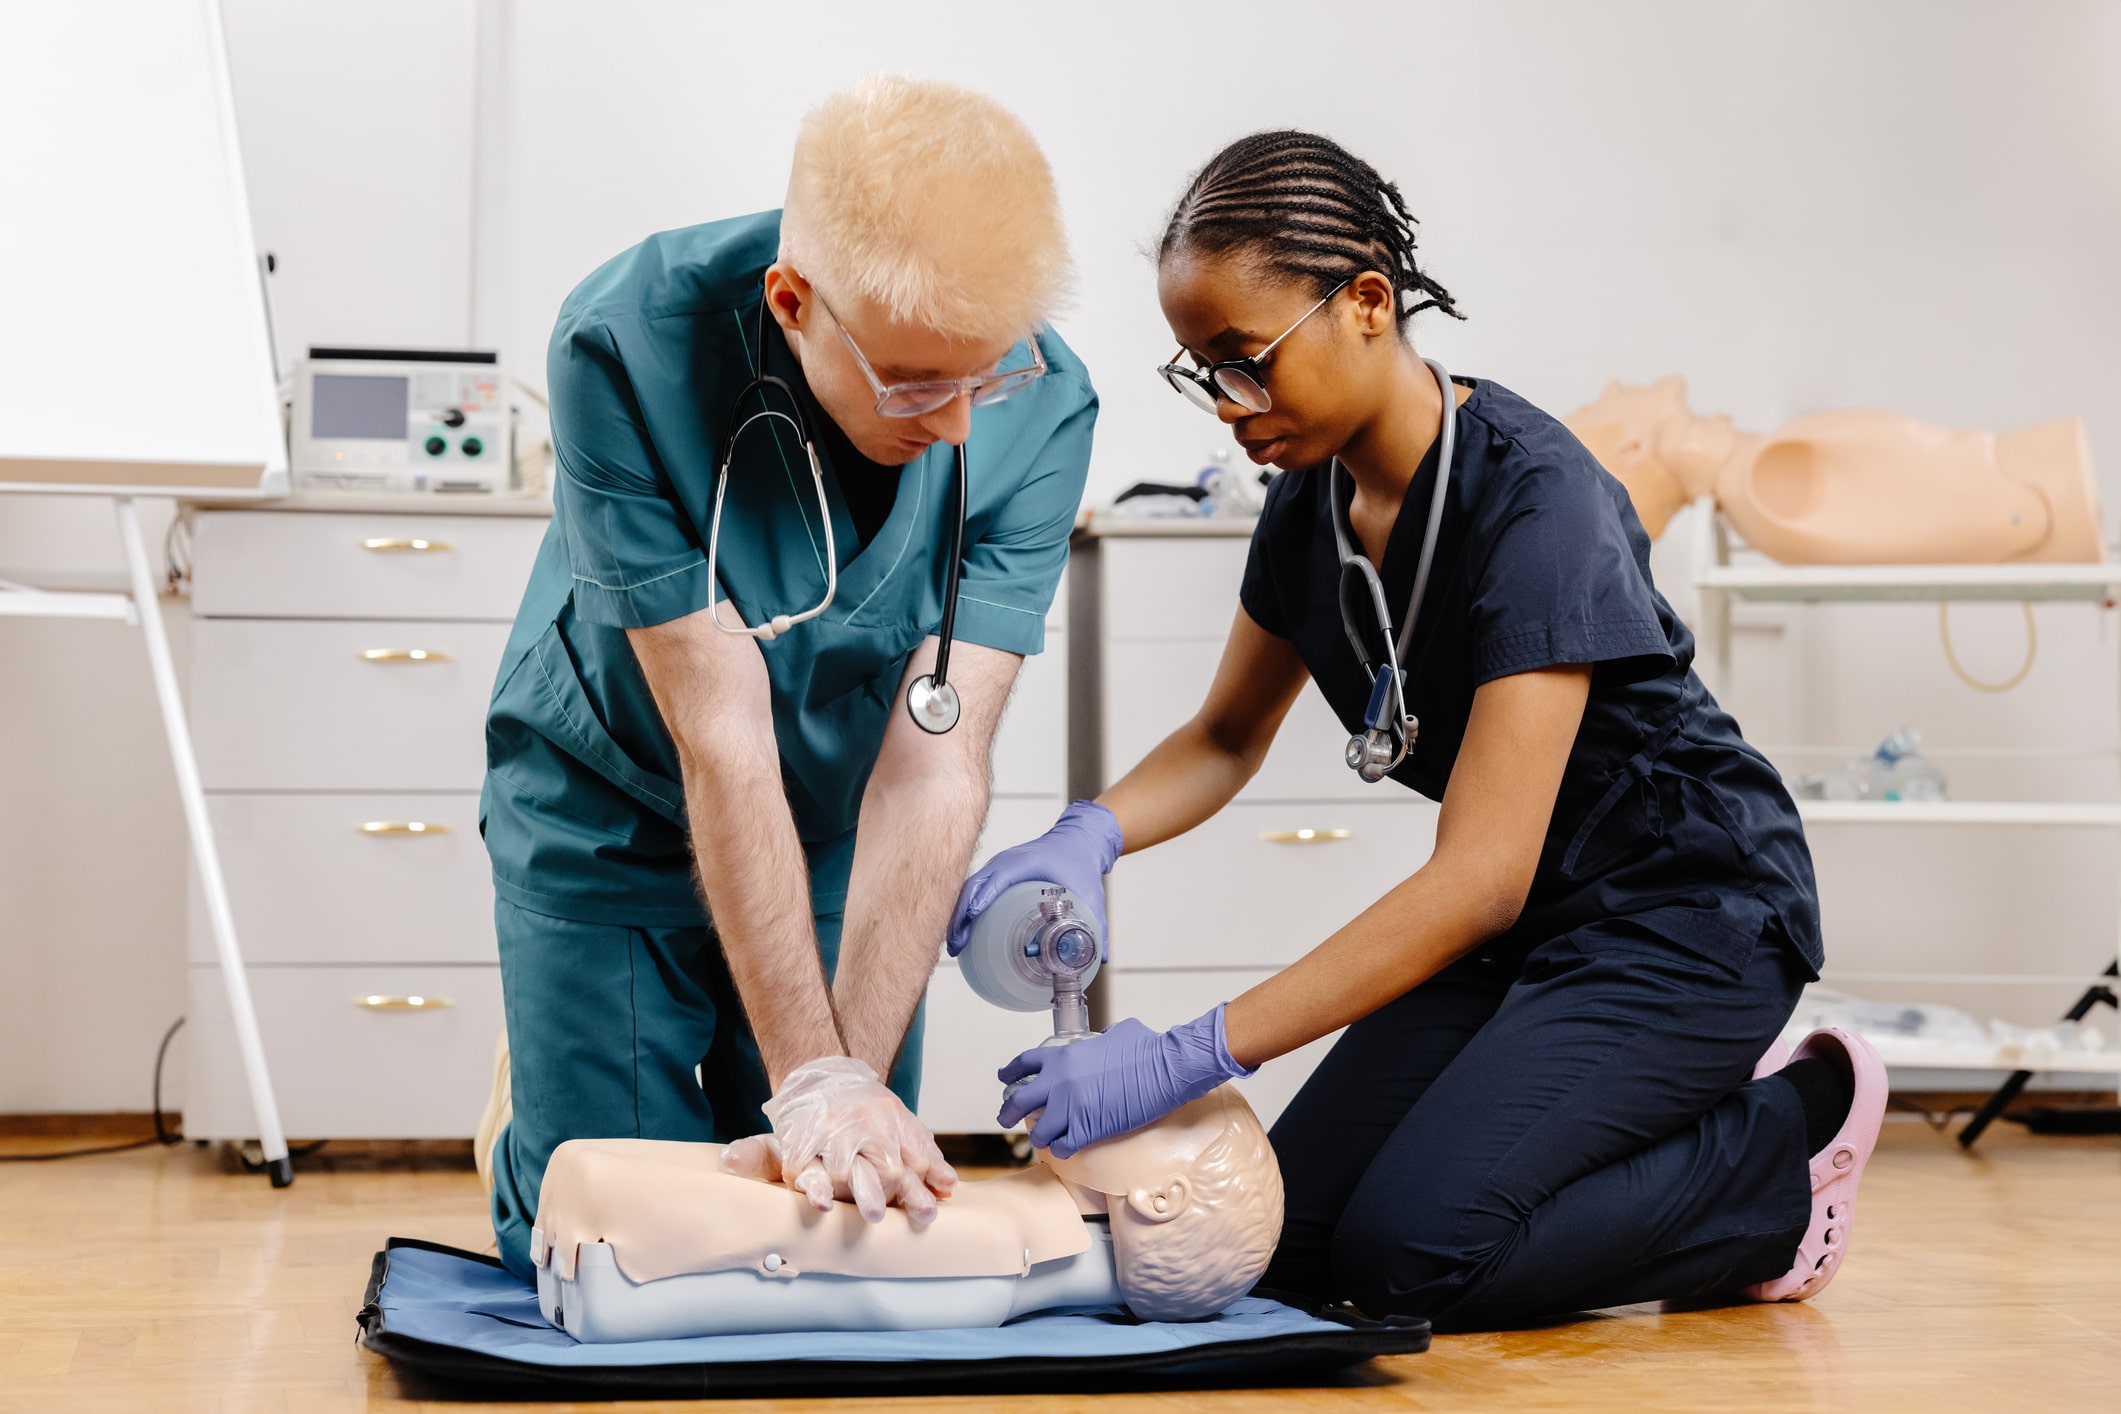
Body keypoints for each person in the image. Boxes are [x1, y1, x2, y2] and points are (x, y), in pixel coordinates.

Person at [952, 130, 1886, 1330]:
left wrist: (1195, 1050)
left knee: (1414, 1258)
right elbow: (1225, 739)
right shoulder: (1306, 509)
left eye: (1246, 361)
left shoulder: (1538, 502)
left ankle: (1775, 1155)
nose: (1231, 406)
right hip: (1538, 926)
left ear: (1368, 303)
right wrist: (1087, 833)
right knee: (1292, 1247)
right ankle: (1625, 1112)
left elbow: (1478, 879)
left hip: (1690, 918)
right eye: (1202, 373)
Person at [478, 75, 1097, 1282]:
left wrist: (838, 1091)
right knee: (615, 1238)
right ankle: (530, 1122)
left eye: (990, 375)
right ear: (793, 301)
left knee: (835, 1220)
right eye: (919, 383)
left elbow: (938, 762)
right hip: (613, 799)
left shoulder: (1047, 406)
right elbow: (720, 731)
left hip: (836, 818)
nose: (963, 425)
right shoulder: (625, 345)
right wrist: (805, 1079)